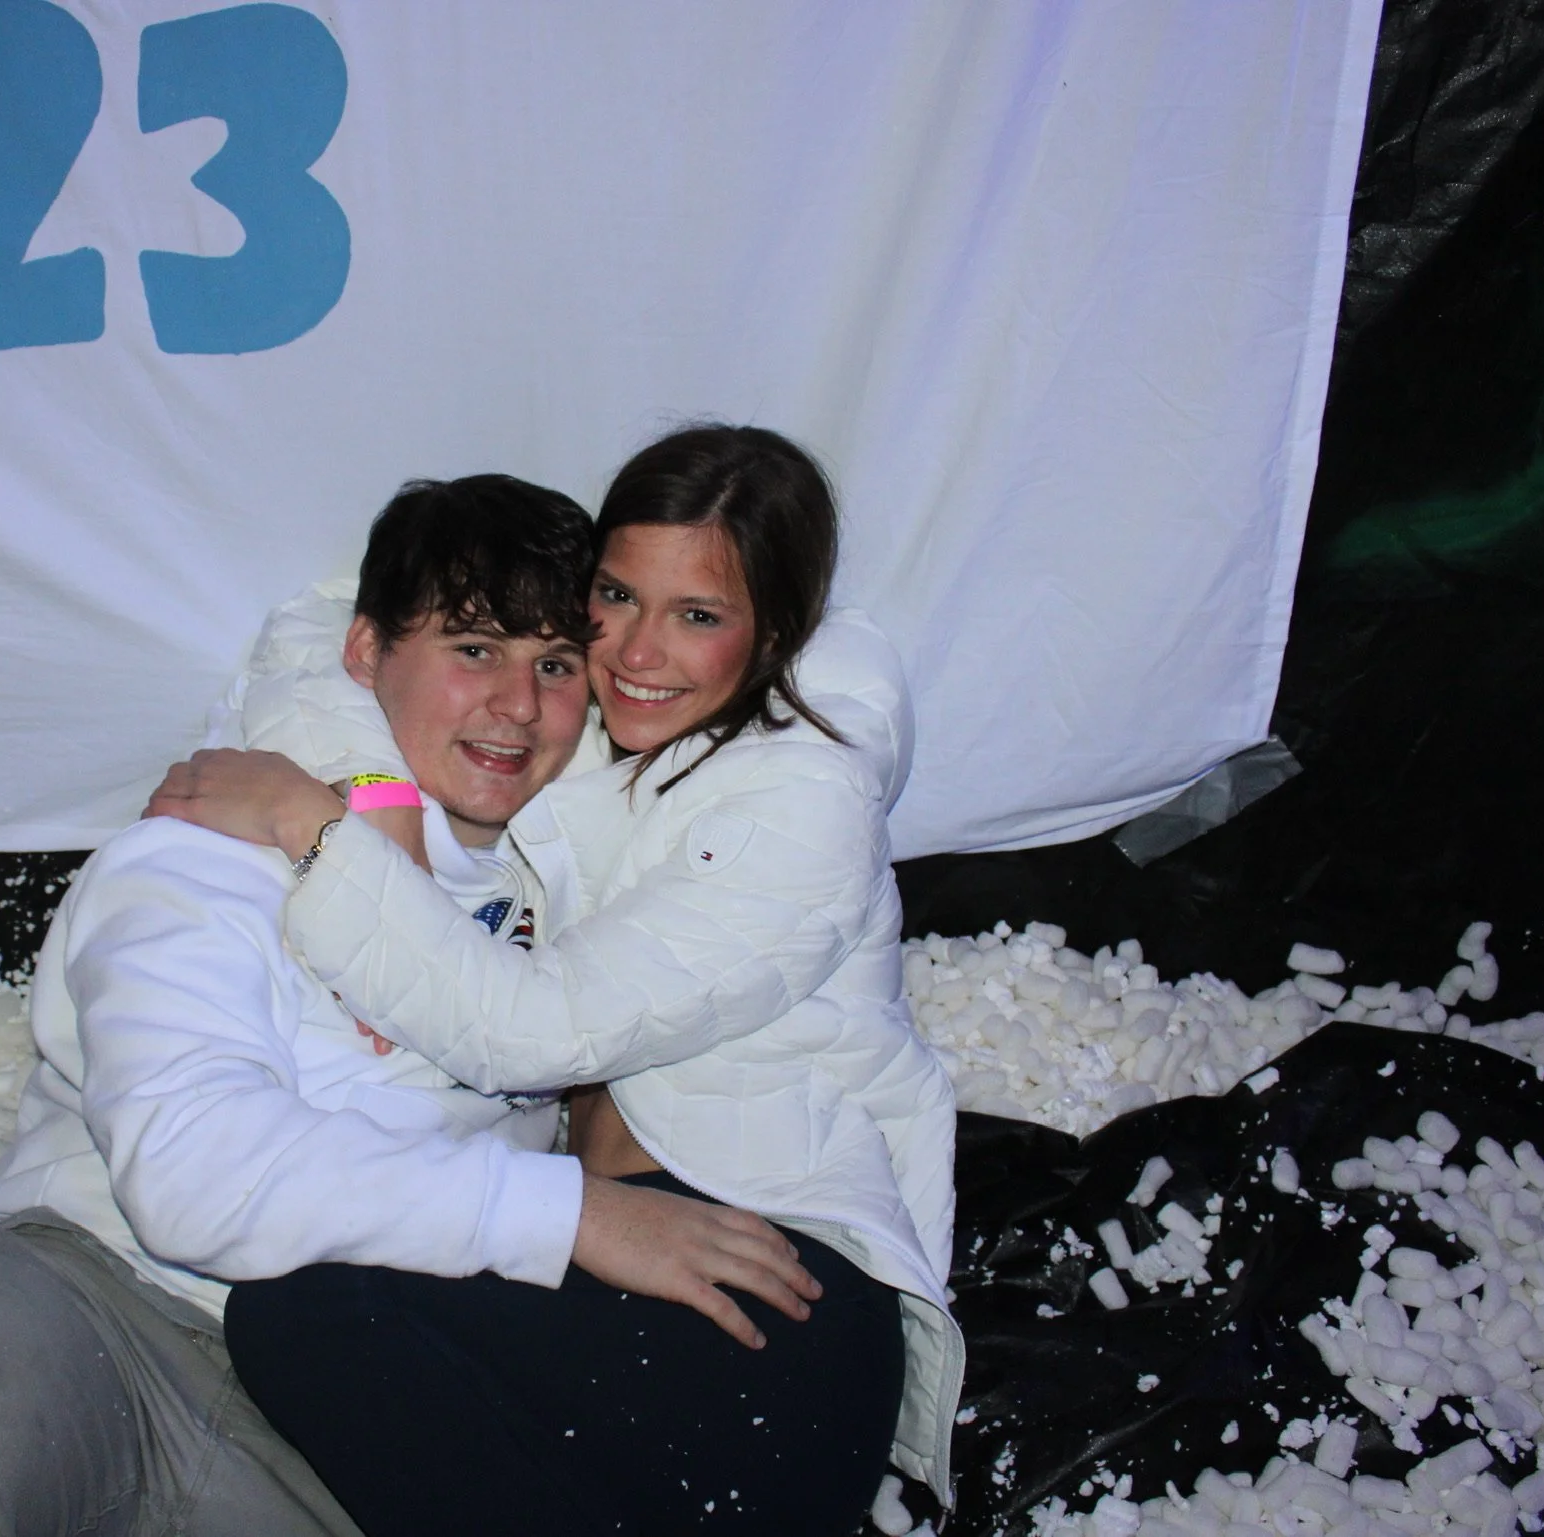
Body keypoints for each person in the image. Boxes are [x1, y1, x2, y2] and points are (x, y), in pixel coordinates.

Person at [0, 473, 820, 1535]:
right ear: (366, 655)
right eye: (472, 649)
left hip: (350, 1384)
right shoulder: (213, 840)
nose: (516, 704)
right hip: (90, 1295)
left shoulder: (576, 885)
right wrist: (571, 1216)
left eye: (552, 663)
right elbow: (193, 1176)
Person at [148, 424, 964, 1537]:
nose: (633, 650)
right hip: (619, 1278)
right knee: (313, 1308)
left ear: (773, 633)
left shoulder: (800, 810)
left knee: (301, 1312)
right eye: (614, 596)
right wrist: (374, 787)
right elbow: (337, 620)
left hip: (767, 1308)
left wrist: (310, 820)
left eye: (697, 615)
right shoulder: (616, 730)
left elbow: (528, 1034)